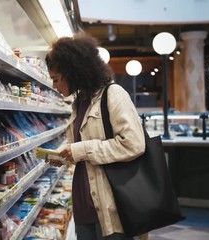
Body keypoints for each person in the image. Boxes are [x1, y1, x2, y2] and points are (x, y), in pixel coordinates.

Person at [45, 33, 147, 240]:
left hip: (111, 207)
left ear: (72, 72)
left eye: (56, 79)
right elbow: (85, 151)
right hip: (84, 205)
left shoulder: (113, 94)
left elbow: (134, 144)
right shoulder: (79, 102)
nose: (54, 85)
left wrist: (80, 150)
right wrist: (65, 155)